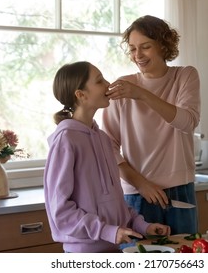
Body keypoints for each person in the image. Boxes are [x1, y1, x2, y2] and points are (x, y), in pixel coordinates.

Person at [43, 61, 170, 253]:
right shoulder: (66, 140)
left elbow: (115, 199)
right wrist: (104, 230)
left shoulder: (102, 138)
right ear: (81, 95)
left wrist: (142, 226)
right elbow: (60, 211)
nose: (108, 84)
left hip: (112, 248)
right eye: (99, 81)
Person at [103, 15, 201, 234]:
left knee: (184, 259)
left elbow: (188, 121)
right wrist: (140, 184)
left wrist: (142, 94)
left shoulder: (185, 76)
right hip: (137, 193)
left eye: (145, 47)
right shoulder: (123, 86)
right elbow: (107, 146)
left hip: (180, 189)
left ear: (164, 46)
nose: (138, 55)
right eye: (132, 49)